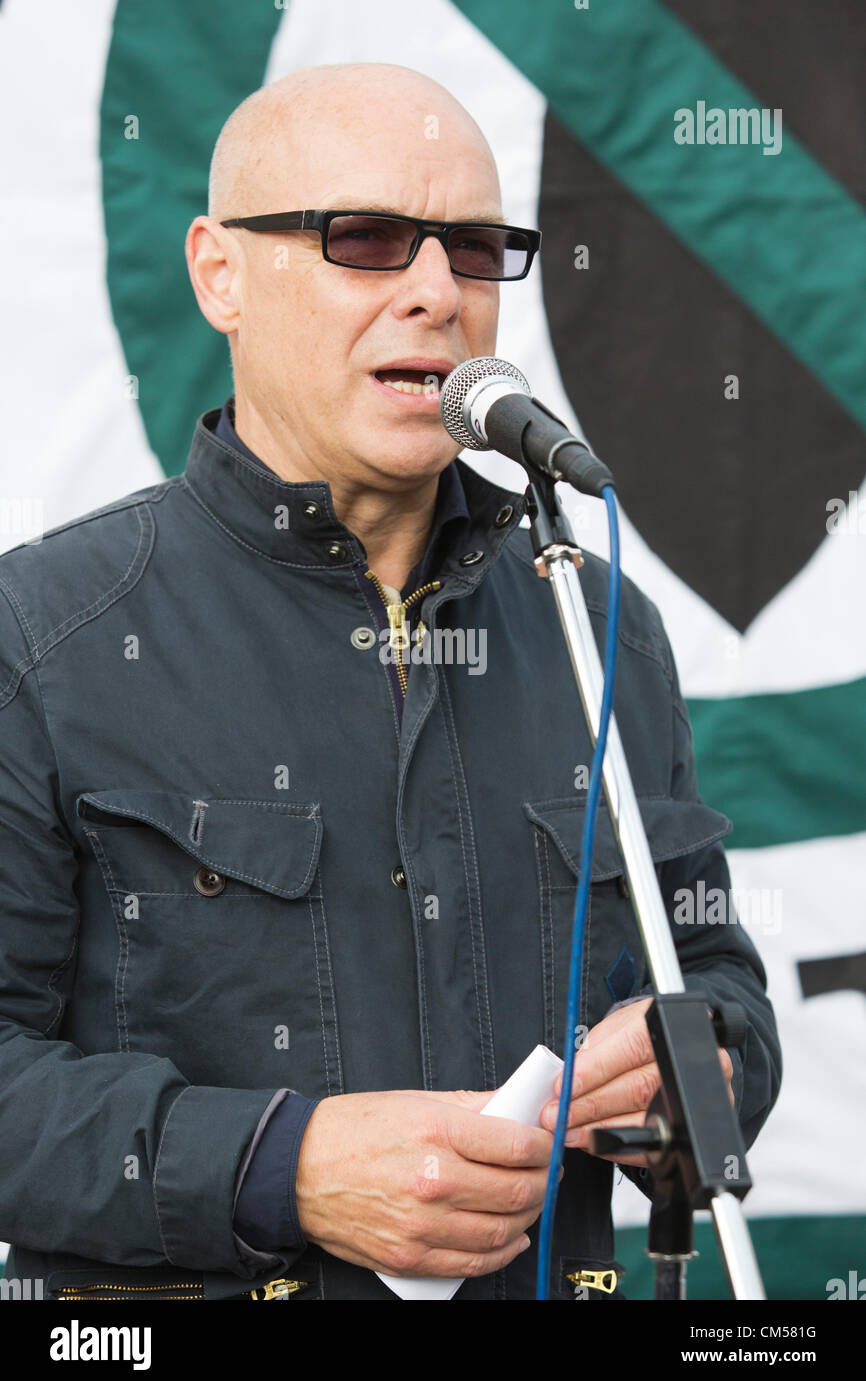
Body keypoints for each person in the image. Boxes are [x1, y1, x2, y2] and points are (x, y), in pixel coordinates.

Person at [0, 62, 781, 1302]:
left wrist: (705, 1059)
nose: (435, 293)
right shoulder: (42, 631)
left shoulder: (596, 621)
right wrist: (278, 1166)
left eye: (473, 249)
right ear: (219, 273)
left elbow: (712, 973)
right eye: (363, 240)